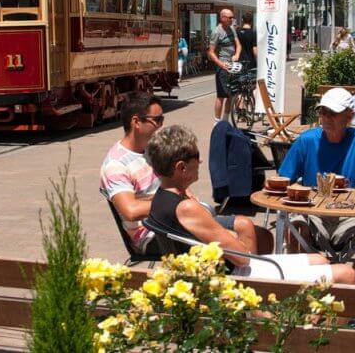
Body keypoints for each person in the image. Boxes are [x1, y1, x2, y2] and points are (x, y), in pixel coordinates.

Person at [147, 125, 355, 283]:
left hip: (212, 274)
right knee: (346, 274)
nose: (200, 162)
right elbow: (243, 259)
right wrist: (232, 239)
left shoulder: (162, 197)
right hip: (231, 280)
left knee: (320, 259)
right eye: (197, 157)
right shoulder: (186, 208)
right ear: (181, 167)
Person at [99, 92, 267, 253]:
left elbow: (173, 182)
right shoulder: (116, 164)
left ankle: (251, 278)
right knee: (240, 242)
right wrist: (177, 204)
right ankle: (244, 279)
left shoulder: (153, 149)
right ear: (136, 122)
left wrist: (184, 193)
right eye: (157, 120)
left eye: (162, 119)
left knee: (263, 236)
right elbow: (131, 211)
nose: (161, 125)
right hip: (156, 233)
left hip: (184, 219)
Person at [278, 87, 355, 253]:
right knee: (295, 227)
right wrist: (296, 189)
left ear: (349, 116)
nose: (326, 118)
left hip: (352, 214)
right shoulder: (306, 141)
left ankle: (353, 278)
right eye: (323, 112)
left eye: (333, 113)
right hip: (312, 211)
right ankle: (303, 275)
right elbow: (283, 181)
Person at [207, 9, 242, 122]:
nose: (232, 19)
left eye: (233, 17)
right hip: (223, 66)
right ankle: (217, 122)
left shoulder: (232, 29)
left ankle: (225, 119)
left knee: (231, 94)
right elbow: (211, 52)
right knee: (221, 96)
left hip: (233, 65)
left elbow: (238, 45)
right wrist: (221, 64)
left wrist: (237, 54)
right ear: (222, 18)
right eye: (230, 17)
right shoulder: (216, 32)